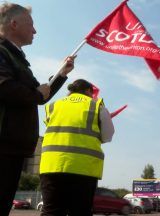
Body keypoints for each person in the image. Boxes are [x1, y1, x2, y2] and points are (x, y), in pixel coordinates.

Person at [0, 3, 75, 216]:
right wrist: (36, 94)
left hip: (12, 148)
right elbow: (4, 88)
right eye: (31, 25)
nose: (35, 30)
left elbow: (40, 95)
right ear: (14, 24)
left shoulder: (16, 57)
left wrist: (61, 74)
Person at [39, 79, 114, 216]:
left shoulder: (53, 105)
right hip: (83, 168)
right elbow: (108, 136)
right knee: (80, 211)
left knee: (51, 211)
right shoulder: (96, 106)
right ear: (88, 91)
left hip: (52, 166)